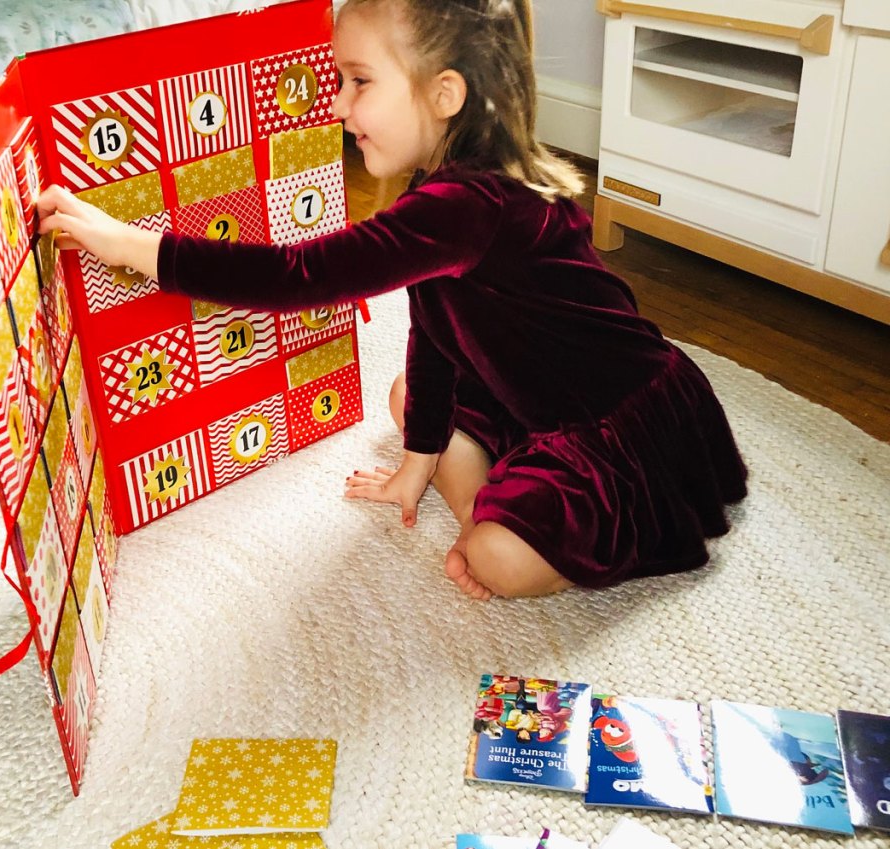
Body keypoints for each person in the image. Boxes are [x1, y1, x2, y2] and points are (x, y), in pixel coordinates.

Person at [37, 0, 748, 601]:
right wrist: (415, 465)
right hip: (537, 397)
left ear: (444, 94)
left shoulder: (468, 205)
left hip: (617, 427)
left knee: (496, 557)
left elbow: (297, 276)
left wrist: (133, 245)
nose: (338, 105)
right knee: (409, 394)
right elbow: (438, 330)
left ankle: (497, 527)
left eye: (359, 82)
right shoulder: (444, 191)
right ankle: (483, 506)